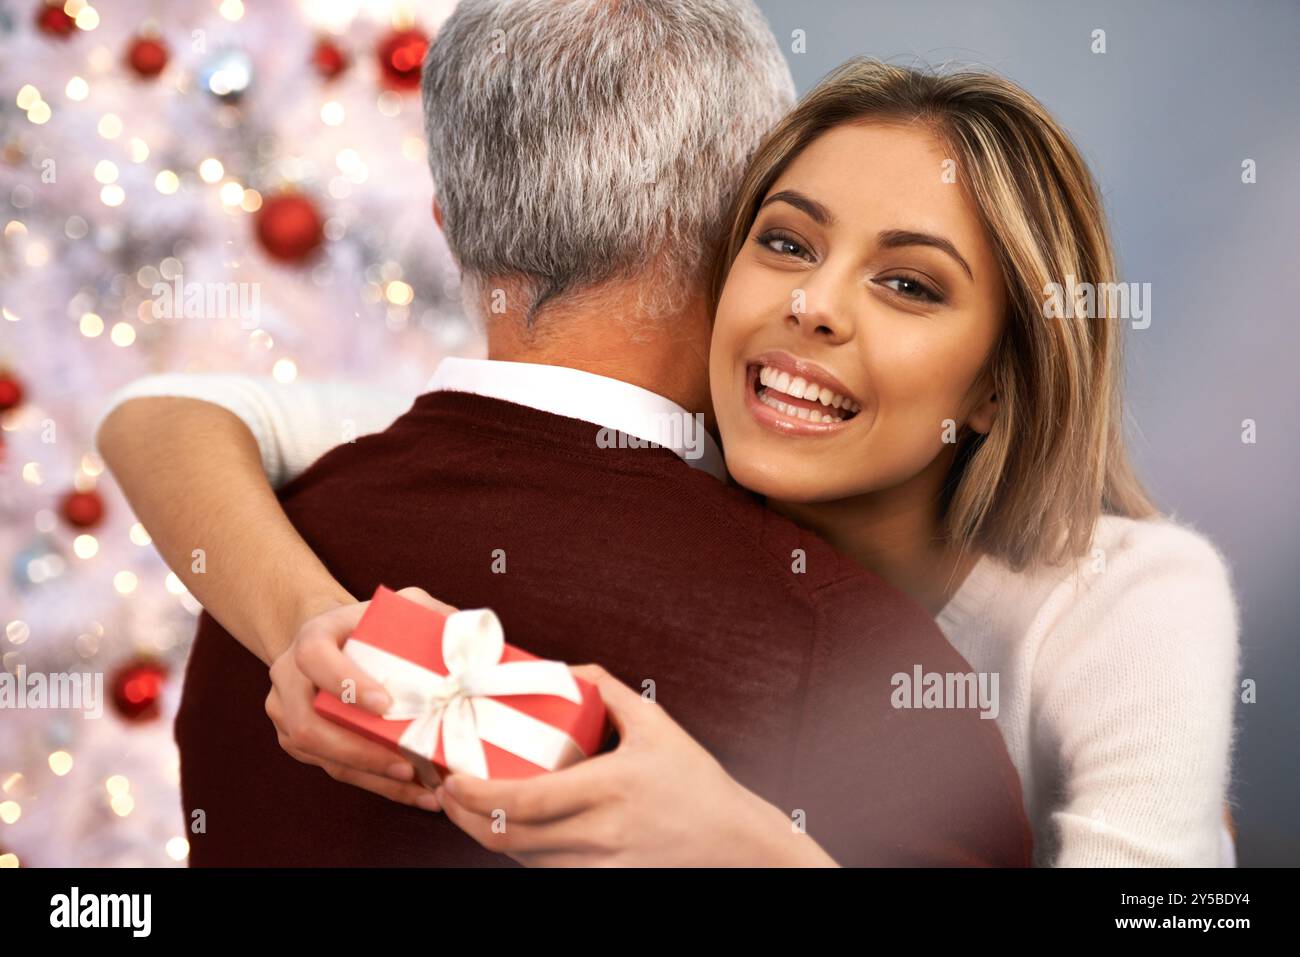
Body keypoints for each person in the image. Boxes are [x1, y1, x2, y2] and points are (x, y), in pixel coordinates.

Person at [97, 2, 1033, 867]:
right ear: (736, 223)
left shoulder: (256, 601)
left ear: (449, 223)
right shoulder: (872, 673)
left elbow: (159, 414)